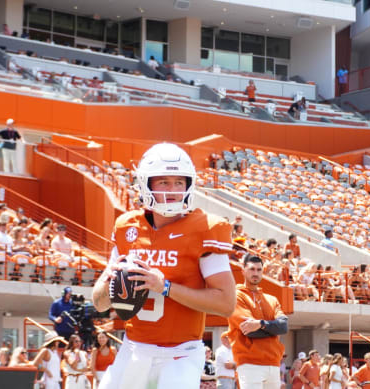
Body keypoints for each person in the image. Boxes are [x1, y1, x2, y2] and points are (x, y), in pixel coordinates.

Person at [92, 143, 236, 389]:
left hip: (180, 353)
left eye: (179, 183)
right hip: (134, 347)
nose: (173, 190)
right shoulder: (128, 227)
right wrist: (110, 281)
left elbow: (226, 304)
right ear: (146, 184)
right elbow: (100, 303)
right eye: (164, 182)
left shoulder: (205, 228)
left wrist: (165, 287)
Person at [228, 254, 288, 389]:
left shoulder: (272, 299)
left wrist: (261, 324)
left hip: (273, 363)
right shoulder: (237, 296)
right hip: (250, 363)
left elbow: (284, 326)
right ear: (243, 271)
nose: (255, 273)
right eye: (252, 269)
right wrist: (273, 329)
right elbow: (250, 332)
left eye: (259, 270)